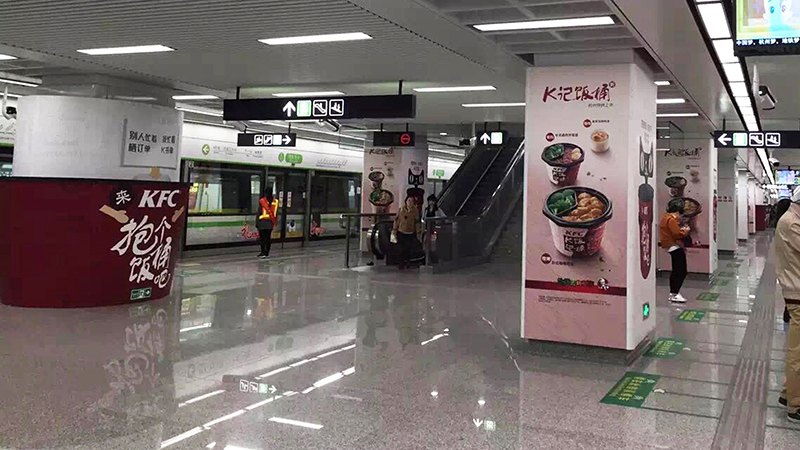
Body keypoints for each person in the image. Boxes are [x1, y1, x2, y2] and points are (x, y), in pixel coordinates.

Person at [774, 187, 800, 423]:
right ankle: (796, 404)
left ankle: (787, 393)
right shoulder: (792, 223)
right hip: (797, 293)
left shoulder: (791, 219)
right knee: (798, 352)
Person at [659, 198, 691, 303]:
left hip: (669, 246)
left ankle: (673, 293)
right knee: (681, 271)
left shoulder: (665, 217)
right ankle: (674, 293)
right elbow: (677, 234)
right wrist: (685, 230)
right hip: (674, 246)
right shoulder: (671, 219)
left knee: (676, 270)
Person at [775, 198, 793, 323]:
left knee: (789, 289)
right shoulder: (788, 224)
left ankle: (788, 310)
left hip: (784, 261)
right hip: (791, 261)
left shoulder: (779, 223)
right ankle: (788, 312)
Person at [393, 196, 421, 270]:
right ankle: (401, 264)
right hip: (401, 232)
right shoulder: (401, 210)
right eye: (409, 200)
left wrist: (418, 232)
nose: (410, 202)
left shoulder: (415, 211)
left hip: (410, 233)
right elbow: (396, 220)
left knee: (408, 249)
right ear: (406, 201)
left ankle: (408, 262)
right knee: (400, 249)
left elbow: (417, 222)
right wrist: (394, 230)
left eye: (412, 201)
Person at [256, 190, 278, 259]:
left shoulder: (262, 201)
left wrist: (257, 223)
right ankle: (267, 252)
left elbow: (259, 212)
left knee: (262, 239)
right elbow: (276, 213)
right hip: (270, 222)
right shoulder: (275, 201)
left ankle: (263, 252)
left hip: (262, 222)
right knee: (268, 238)